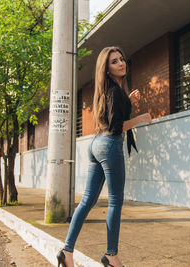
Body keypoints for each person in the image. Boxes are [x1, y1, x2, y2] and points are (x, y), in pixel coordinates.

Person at [56, 46, 152, 267]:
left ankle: (66, 252)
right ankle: (111, 255)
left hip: (96, 144)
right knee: (115, 201)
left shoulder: (110, 90)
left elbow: (113, 114)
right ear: (107, 69)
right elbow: (117, 127)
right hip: (109, 145)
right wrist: (141, 118)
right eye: (114, 62)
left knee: (88, 201)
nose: (121, 63)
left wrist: (129, 100)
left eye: (121, 59)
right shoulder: (114, 92)